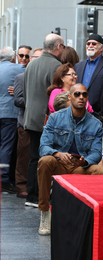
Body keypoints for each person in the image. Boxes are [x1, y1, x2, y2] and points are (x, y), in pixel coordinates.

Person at [37, 83, 103, 235]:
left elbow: (96, 152)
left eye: (84, 94)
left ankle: (92, 215)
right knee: (45, 161)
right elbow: (43, 146)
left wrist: (86, 161)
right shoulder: (55, 118)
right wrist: (57, 154)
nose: (81, 97)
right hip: (59, 162)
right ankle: (45, 212)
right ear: (70, 97)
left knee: (101, 171)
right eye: (77, 94)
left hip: (80, 165)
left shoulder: (95, 124)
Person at [24, 33, 65, 207]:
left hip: (30, 118)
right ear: (57, 47)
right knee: (46, 159)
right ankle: (40, 196)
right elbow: (56, 97)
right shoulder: (57, 66)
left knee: (34, 157)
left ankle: (31, 195)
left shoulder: (31, 64)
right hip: (46, 120)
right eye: (62, 46)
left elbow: (26, 91)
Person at [13, 48, 43, 198]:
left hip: (41, 122)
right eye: (35, 57)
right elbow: (17, 100)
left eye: (40, 58)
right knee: (24, 155)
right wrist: (33, 102)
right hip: (25, 121)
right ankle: (21, 186)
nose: (37, 60)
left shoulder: (44, 77)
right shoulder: (21, 77)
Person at [0, 47, 25, 193]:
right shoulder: (19, 69)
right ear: (13, 57)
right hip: (9, 112)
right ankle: (3, 179)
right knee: (6, 146)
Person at [75, 33, 103, 113]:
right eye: (88, 44)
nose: (90, 46)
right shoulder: (78, 66)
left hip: (98, 112)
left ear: (102, 48)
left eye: (94, 44)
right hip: (79, 109)